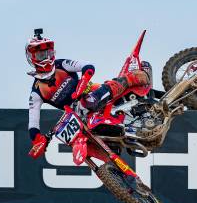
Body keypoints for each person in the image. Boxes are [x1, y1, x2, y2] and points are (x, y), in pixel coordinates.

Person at [25, 29, 150, 158]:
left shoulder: (61, 65)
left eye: (48, 53)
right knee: (79, 139)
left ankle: (131, 78)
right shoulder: (36, 92)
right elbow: (33, 123)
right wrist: (37, 140)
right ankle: (110, 164)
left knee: (89, 101)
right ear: (32, 58)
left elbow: (87, 66)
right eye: (41, 55)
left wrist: (82, 84)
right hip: (77, 113)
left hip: (89, 92)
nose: (46, 57)